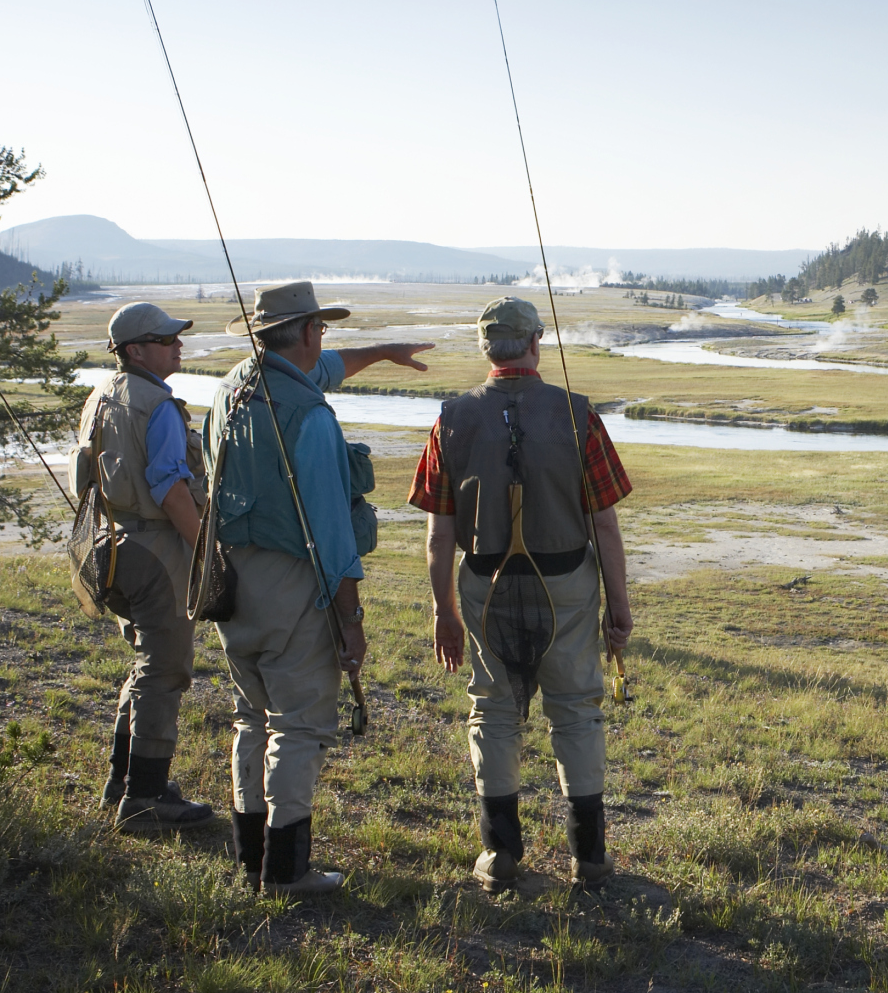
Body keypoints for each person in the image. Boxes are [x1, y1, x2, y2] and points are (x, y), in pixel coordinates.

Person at [206, 281, 432, 895]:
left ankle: (250, 856)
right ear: (307, 332)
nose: (324, 341)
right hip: (292, 584)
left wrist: (384, 352)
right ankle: (286, 871)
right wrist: (350, 621)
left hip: (232, 580)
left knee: (251, 717)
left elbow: (327, 369)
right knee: (299, 725)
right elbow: (332, 535)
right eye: (320, 329)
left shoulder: (231, 390)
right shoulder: (308, 417)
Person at [410, 296, 635, 892]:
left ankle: (500, 853)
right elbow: (605, 523)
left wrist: (444, 611)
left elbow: (439, 532)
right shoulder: (578, 414)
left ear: (487, 348)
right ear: (535, 343)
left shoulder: (451, 418)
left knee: (494, 710)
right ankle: (589, 859)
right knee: (577, 711)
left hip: (484, 583)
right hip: (567, 584)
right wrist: (620, 605)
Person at [78, 302, 214, 828]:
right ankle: (146, 798)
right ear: (136, 350)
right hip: (156, 554)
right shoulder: (156, 405)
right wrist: (206, 552)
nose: (178, 345)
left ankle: (125, 780)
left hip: (109, 547)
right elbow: (170, 489)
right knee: (165, 670)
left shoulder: (101, 396)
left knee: (144, 666)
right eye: (166, 339)